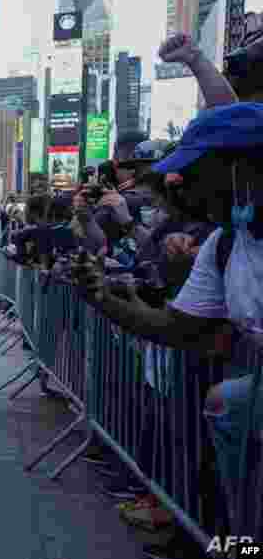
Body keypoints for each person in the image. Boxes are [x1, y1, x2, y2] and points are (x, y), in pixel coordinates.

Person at [72, 103, 263, 532]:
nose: (179, 183)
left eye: (194, 171)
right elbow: (177, 328)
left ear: (242, 167)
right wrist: (103, 297)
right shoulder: (224, 244)